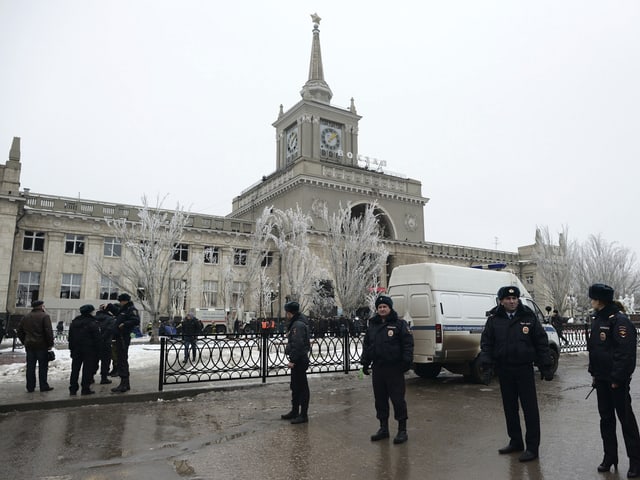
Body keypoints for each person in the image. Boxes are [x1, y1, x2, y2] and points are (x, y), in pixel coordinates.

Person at [479, 286, 554, 462]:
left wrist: (546, 366)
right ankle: (516, 441)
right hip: (504, 369)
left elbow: (541, 342)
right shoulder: (494, 319)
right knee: (510, 408)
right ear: (501, 301)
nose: (512, 301)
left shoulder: (528, 317)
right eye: (508, 299)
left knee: (530, 410)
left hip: (524, 369)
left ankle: (533, 447)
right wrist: (487, 365)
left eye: (514, 299)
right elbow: (487, 343)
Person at [587, 283, 640, 477]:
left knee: (626, 422)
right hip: (601, 380)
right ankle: (610, 457)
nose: (590, 301)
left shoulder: (619, 321)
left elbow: (625, 354)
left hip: (616, 382)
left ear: (599, 300)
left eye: (592, 298)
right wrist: (594, 373)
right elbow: (595, 349)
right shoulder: (598, 319)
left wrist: (617, 378)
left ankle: (636, 461)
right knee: (606, 420)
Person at [360, 295, 414, 444]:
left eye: (385, 306)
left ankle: (402, 430)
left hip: (394, 368)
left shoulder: (399, 324)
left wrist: (406, 362)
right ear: (377, 309)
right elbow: (367, 346)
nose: (382, 309)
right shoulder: (373, 325)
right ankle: (383, 428)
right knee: (380, 400)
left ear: (390, 308)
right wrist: (365, 362)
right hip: (378, 368)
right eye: (380, 307)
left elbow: (408, 344)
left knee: (397, 400)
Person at [280, 301, 311, 424]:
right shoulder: (297, 323)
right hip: (299, 359)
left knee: (301, 387)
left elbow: (298, 344)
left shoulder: (297, 325)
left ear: (289, 312)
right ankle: (295, 411)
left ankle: (303, 414)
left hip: (299, 360)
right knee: (295, 386)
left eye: (286, 312)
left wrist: (292, 360)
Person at [16, 300, 55, 392]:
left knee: (30, 367)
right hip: (42, 346)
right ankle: (43, 386)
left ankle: (30, 387)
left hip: (29, 345)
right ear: (41, 306)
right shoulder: (45, 316)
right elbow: (48, 331)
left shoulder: (26, 317)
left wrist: (25, 341)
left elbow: (19, 331)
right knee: (43, 367)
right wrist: (50, 344)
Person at [68, 304, 101, 395]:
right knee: (87, 370)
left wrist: (71, 349)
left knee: (75, 369)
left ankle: (73, 388)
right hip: (89, 350)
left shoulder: (75, 322)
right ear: (90, 312)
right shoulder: (93, 322)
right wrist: (98, 351)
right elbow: (97, 338)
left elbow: (70, 337)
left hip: (76, 349)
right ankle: (85, 388)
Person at [111, 293, 140, 393]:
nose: (120, 303)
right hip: (120, 337)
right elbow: (118, 313)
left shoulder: (131, 309)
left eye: (121, 301)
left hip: (124, 337)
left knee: (122, 360)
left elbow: (136, 320)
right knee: (121, 359)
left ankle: (124, 383)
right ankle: (125, 383)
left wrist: (124, 324)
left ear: (125, 301)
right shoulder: (124, 309)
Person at [95, 303, 117, 384]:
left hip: (95, 343)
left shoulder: (94, 318)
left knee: (93, 360)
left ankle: (90, 377)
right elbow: (110, 330)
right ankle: (103, 377)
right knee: (105, 361)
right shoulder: (110, 319)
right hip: (106, 343)